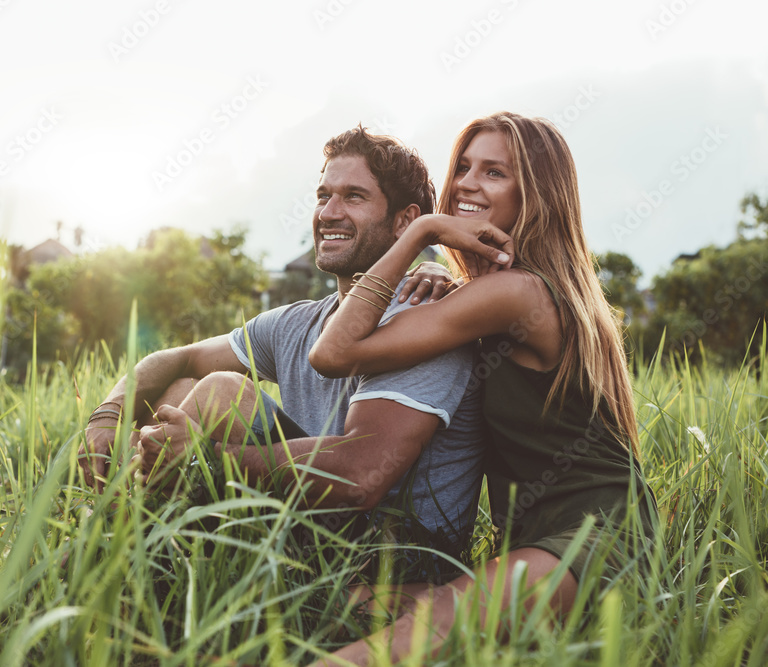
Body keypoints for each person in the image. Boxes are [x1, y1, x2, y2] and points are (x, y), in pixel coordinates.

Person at [80, 126, 508, 581]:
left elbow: (361, 477)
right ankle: (134, 559)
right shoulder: (298, 322)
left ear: (406, 221)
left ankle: (106, 562)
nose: (329, 212)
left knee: (222, 393)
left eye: (354, 197)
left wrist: (204, 455)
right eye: (323, 195)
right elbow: (180, 358)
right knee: (181, 390)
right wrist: (107, 414)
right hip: (318, 533)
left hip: (394, 559)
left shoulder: (426, 317)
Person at [308, 112, 656, 664]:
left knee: (419, 632)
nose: (468, 183)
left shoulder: (517, 294)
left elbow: (333, 352)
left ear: (536, 195)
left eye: (494, 172)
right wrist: (443, 276)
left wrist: (423, 232)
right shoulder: (498, 294)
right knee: (351, 600)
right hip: (532, 541)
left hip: (597, 536)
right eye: (464, 167)